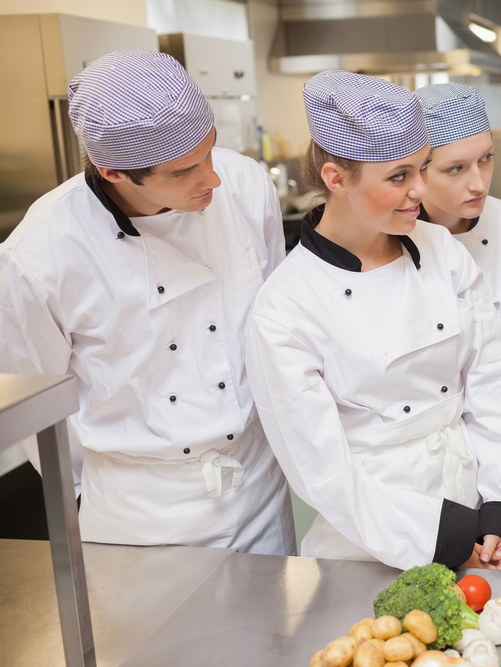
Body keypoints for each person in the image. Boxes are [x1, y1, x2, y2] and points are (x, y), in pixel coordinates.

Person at [244, 71, 501, 571]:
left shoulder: (442, 251)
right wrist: (446, 538)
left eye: (421, 169)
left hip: (475, 503)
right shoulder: (285, 305)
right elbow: (320, 468)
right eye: (398, 176)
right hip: (370, 534)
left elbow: (496, 387)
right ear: (336, 180)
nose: (419, 191)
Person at [0, 51, 294, 555]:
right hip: (141, 508)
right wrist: (92, 483)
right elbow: (39, 400)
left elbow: (275, 325)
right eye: (183, 172)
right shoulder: (39, 256)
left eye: (210, 153)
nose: (212, 180)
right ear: (113, 172)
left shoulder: (246, 185)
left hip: (259, 481)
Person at [414, 83, 501, 380]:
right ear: (419, 170)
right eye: (456, 169)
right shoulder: (393, 236)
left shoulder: (500, 217)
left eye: (486, 159)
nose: (479, 184)